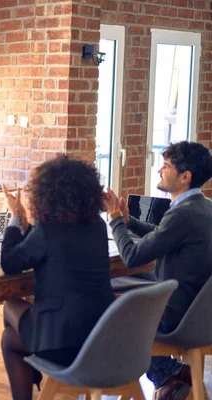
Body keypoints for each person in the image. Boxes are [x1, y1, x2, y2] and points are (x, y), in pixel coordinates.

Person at [0, 155, 115, 400]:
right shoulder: (97, 227)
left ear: (46, 195)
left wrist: (16, 218)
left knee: (10, 318)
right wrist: (26, 226)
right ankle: (35, 365)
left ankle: (33, 371)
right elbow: (46, 246)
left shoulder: (47, 230)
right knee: (14, 333)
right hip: (101, 337)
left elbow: (9, 263)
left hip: (64, 344)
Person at [105, 141, 212, 400]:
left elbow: (132, 257)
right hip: (201, 314)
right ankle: (174, 374)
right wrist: (129, 222)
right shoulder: (204, 207)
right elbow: (163, 235)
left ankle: (168, 374)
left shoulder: (182, 215)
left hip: (178, 317)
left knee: (111, 313)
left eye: (165, 167)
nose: (159, 172)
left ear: (185, 177)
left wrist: (115, 219)